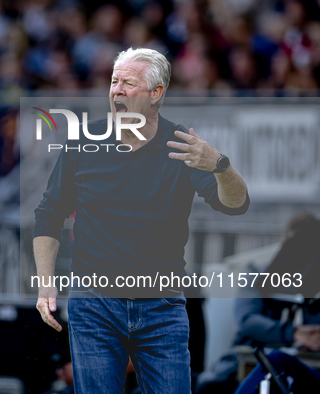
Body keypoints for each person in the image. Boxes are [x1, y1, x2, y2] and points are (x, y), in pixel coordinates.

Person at [33, 47, 250, 394]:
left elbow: (236, 204)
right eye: (114, 81)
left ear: (156, 94)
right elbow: (49, 213)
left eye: (128, 83)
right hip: (94, 303)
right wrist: (46, 282)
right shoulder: (82, 143)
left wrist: (220, 165)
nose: (116, 89)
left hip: (161, 307)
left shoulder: (183, 146)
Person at [195, 212, 320, 394]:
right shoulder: (256, 273)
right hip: (245, 368)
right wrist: (293, 334)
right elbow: (248, 320)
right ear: (283, 245)